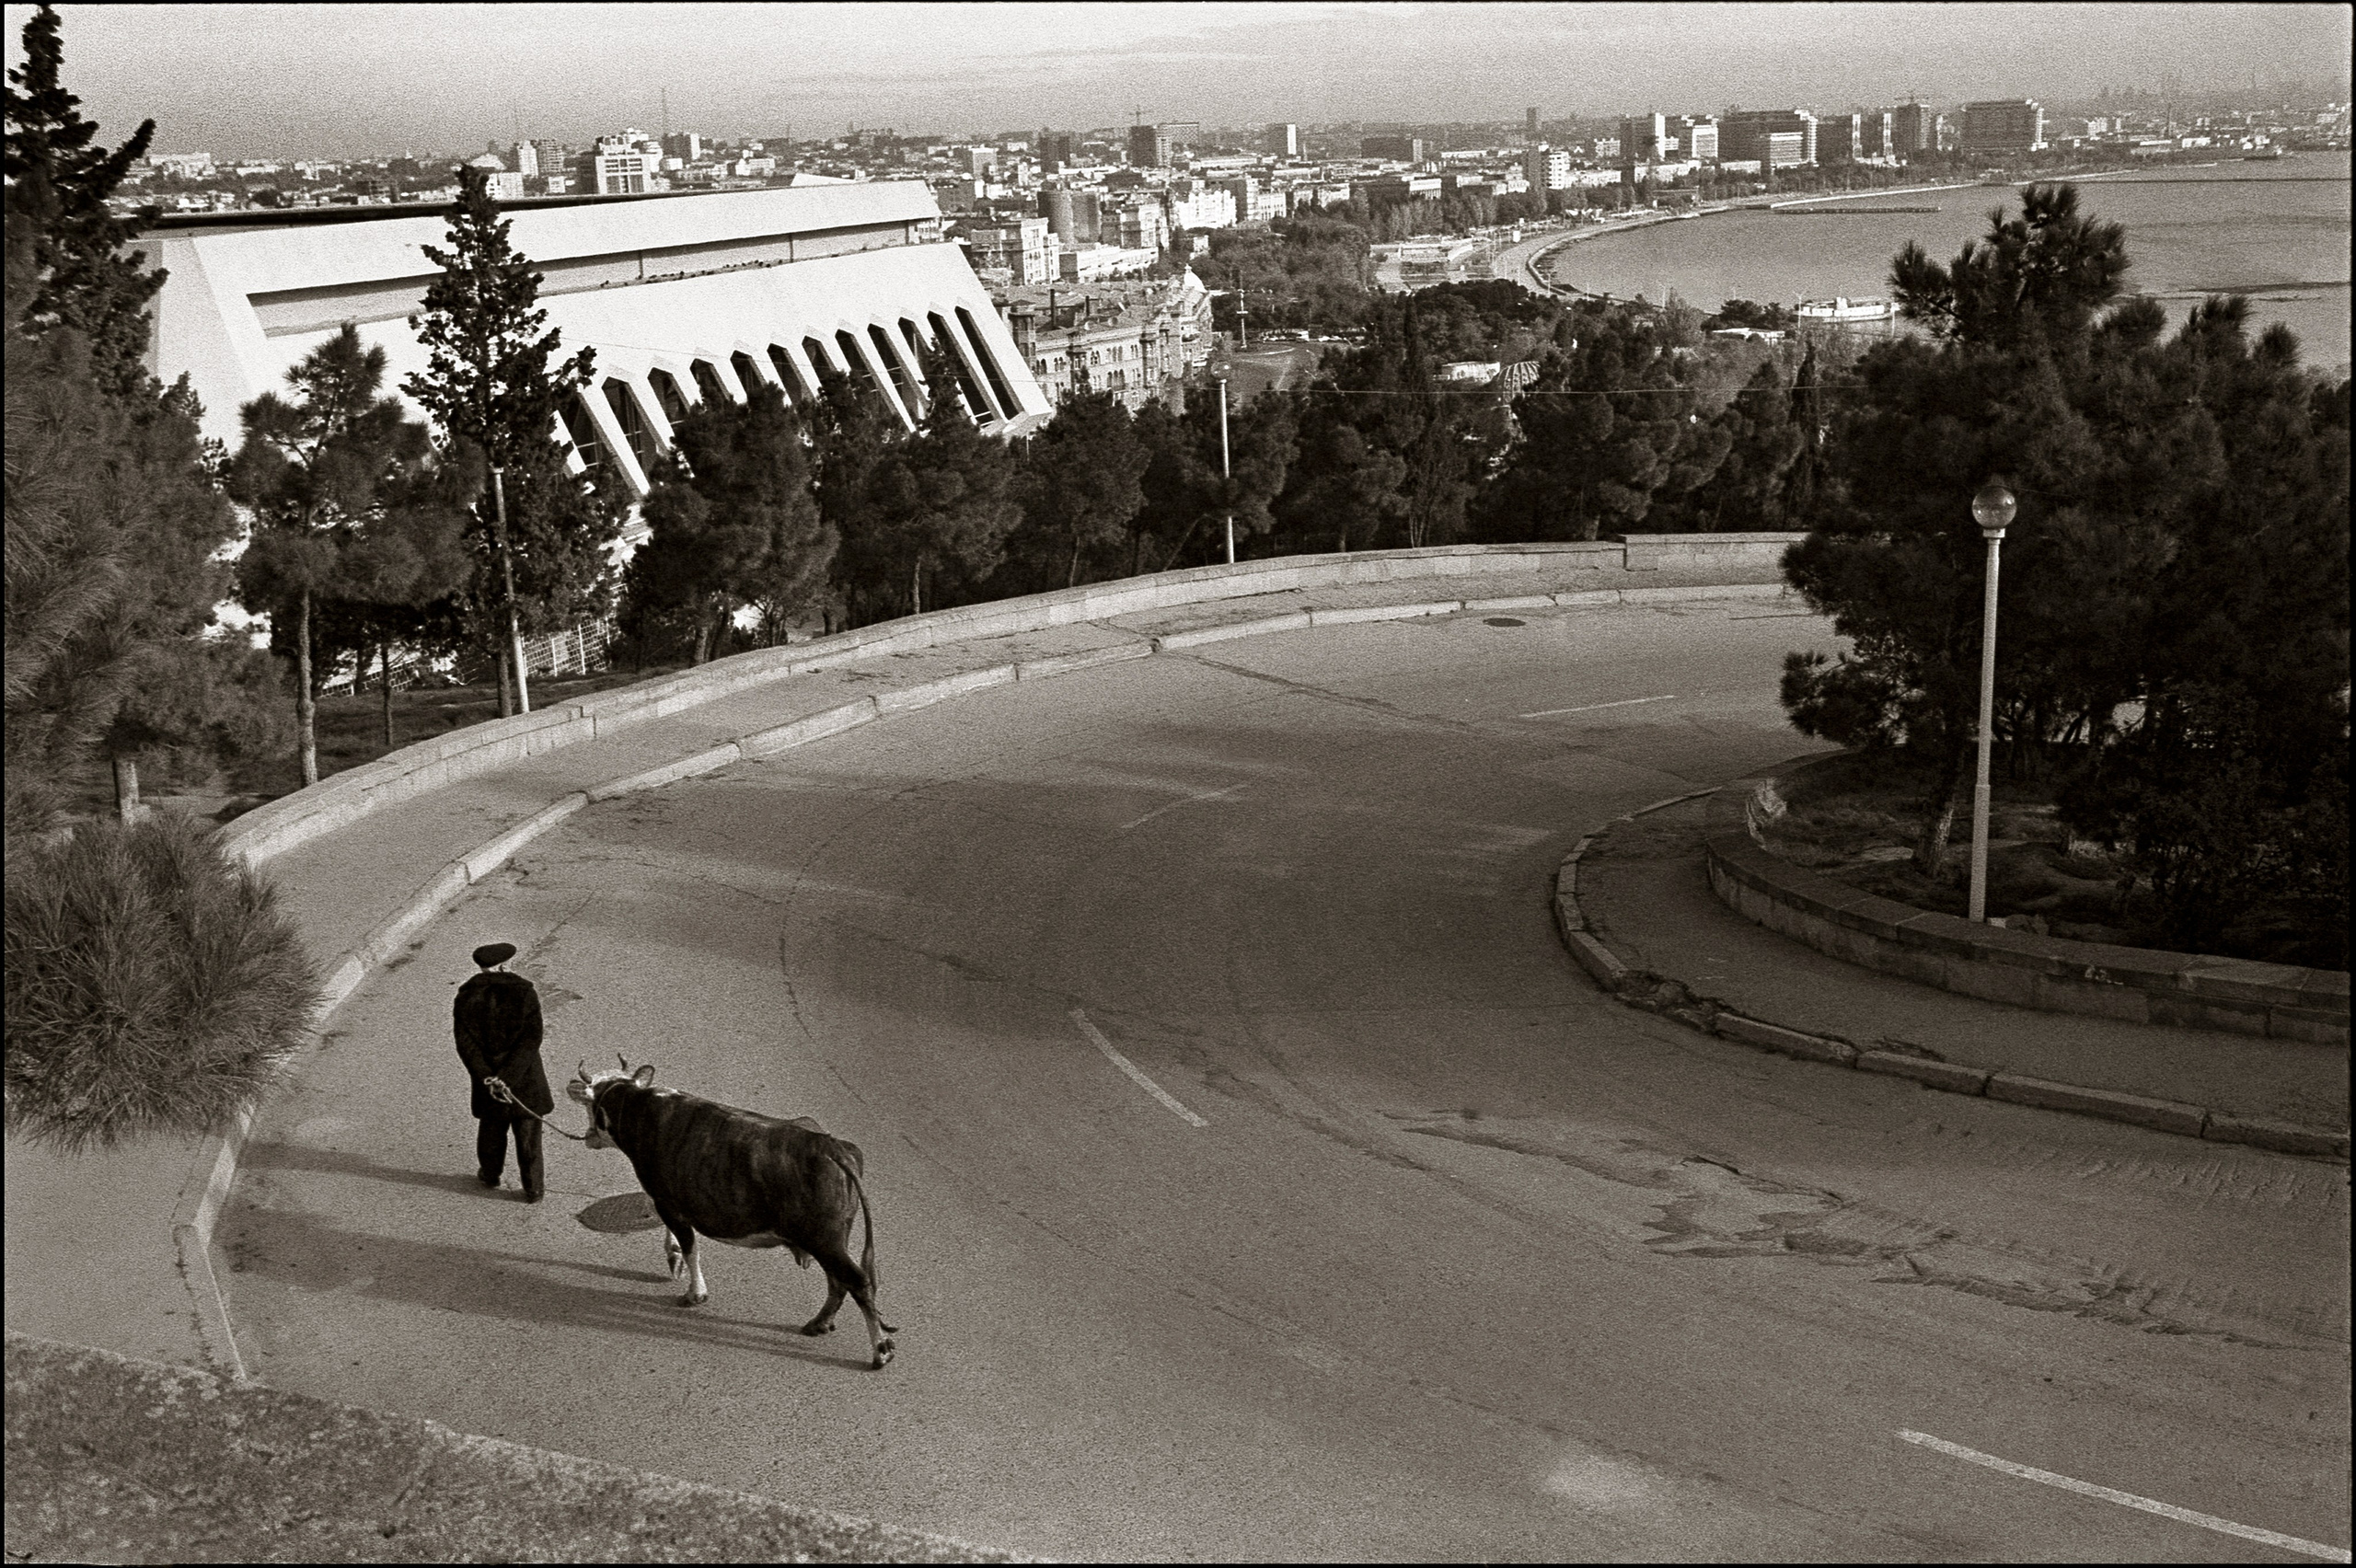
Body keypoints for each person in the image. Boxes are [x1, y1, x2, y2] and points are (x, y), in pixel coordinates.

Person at [453, 941, 551, 1201]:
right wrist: (507, 1077)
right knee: (528, 1135)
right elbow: (531, 1040)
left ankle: (490, 1174)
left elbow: (466, 1045)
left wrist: (488, 1076)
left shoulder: (466, 996)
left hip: (487, 1081)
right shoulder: (524, 992)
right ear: (505, 965)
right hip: (524, 1077)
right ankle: (533, 1188)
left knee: (491, 1130)